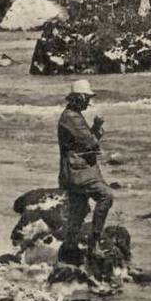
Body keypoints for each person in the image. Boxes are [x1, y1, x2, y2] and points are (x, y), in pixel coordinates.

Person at [57, 79, 115, 264]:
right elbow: (91, 143)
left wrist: (94, 131)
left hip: (73, 170)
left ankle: (69, 250)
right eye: (87, 98)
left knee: (79, 209)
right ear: (79, 97)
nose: (88, 102)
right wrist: (97, 129)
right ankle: (94, 242)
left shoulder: (71, 116)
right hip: (78, 172)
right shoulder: (72, 118)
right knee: (106, 196)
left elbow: (84, 141)